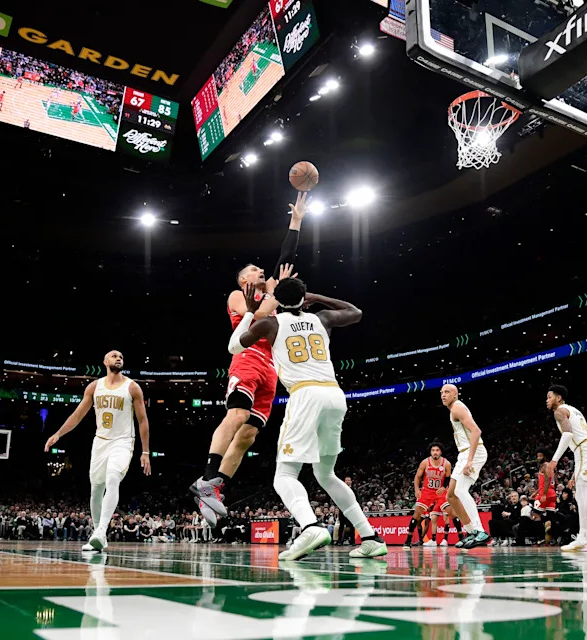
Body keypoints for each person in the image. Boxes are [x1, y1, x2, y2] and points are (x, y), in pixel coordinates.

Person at [228, 277, 387, 560]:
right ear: (304, 297)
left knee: (284, 476)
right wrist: (317, 296)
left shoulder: (271, 324)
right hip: (334, 395)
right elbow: (356, 312)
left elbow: (234, 348)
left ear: (277, 299)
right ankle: (371, 537)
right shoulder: (322, 318)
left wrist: (251, 311)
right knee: (326, 474)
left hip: (305, 395)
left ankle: (310, 526)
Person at [192, 193, 309, 524]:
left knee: (249, 434)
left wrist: (296, 221)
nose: (262, 271)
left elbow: (284, 260)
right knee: (237, 413)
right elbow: (256, 316)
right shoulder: (237, 295)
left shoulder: (268, 289)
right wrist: (275, 293)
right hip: (246, 359)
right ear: (245, 280)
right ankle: (206, 476)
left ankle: (216, 487)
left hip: (271, 368)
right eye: (255, 270)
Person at [45, 350, 152, 552]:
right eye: (114, 356)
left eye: (121, 356)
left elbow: (142, 420)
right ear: (105, 361)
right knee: (96, 488)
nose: (118, 358)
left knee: (113, 478)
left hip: (122, 442)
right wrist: (58, 434)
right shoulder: (95, 387)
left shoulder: (132, 387)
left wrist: (145, 452)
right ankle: (98, 534)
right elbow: (78, 415)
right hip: (100, 442)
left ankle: (101, 531)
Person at [544, 385, 587, 552]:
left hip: (584, 449)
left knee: (582, 493)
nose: (547, 400)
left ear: (558, 398)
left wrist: (554, 461)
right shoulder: (573, 410)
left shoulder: (559, 410)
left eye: (549, 397)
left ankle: (583, 537)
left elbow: (567, 435)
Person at [439, 384, 490, 549]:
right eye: (441, 393)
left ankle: (480, 531)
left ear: (455, 394)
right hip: (464, 453)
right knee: (451, 496)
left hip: (472, 452)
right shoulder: (453, 409)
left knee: (461, 490)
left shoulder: (457, 408)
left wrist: (469, 460)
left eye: (447, 392)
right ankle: (471, 532)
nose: (443, 395)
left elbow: (476, 431)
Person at [403, 442, 451, 549]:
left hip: (440, 491)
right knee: (416, 515)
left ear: (441, 452)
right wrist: (416, 489)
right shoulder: (425, 462)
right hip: (427, 491)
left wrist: (444, 487)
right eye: (433, 450)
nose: (435, 452)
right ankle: (408, 540)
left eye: (437, 450)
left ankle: (460, 537)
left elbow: (448, 478)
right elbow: (417, 477)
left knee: (450, 512)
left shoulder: (446, 463)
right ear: (430, 452)